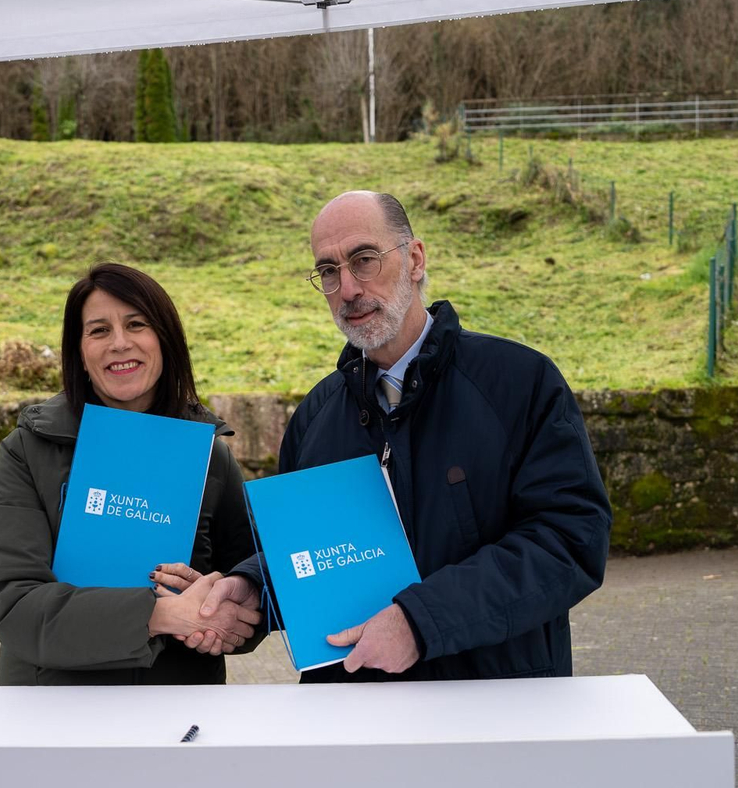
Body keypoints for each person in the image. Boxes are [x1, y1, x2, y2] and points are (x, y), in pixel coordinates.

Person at [193, 190, 612, 681]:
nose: (347, 288)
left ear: (414, 258)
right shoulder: (314, 417)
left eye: (364, 260)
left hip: (494, 711)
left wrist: (420, 621)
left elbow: (569, 540)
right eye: (328, 271)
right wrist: (256, 587)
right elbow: (314, 552)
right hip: (355, 719)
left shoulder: (520, 384)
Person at [0, 262, 262, 685]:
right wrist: (161, 614)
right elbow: (14, 605)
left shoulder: (210, 457)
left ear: (165, 339)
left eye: (136, 324)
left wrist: (212, 608)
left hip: (178, 707)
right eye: (98, 331)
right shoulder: (27, 451)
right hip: (53, 704)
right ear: (79, 351)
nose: (119, 343)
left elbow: (247, 596)